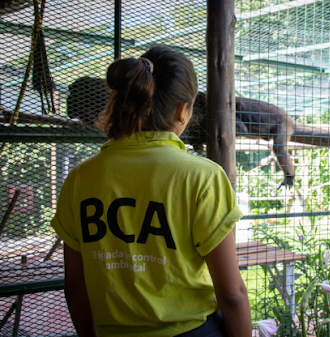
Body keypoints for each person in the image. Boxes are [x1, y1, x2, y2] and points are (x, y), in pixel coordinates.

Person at [51, 46, 252, 337]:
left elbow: (74, 287)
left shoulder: (80, 178)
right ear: (182, 110)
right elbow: (232, 295)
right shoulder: (203, 177)